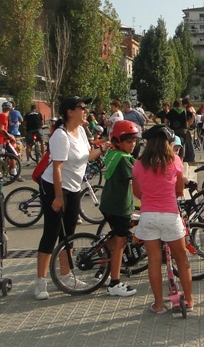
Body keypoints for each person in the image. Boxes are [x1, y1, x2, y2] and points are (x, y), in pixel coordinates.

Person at [33, 96, 104, 300]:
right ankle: (40, 282)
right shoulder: (60, 136)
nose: (85, 111)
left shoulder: (81, 130)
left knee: (69, 234)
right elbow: (57, 168)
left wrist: (102, 149)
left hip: (74, 187)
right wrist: (57, 196)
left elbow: (86, 156)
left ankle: (66, 275)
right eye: (82, 107)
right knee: (52, 232)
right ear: (70, 112)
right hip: (55, 187)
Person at [133, 125, 193, 313]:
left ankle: (158, 304)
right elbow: (179, 190)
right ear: (168, 143)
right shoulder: (174, 161)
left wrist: (150, 198)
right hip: (170, 214)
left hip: (148, 215)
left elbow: (137, 192)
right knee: (181, 258)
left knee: (153, 260)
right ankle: (189, 300)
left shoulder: (138, 164)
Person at [99, 120, 140, 297]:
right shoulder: (123, 161)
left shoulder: (113, 154)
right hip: (119, 207)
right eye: (128, 142)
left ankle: (101, 269)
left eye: (134, 141)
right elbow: (137, 181)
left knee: (114, 239)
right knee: (120, 242)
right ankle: (114, 282)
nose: (133, 145)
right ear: (117, 141)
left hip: (108, 203)